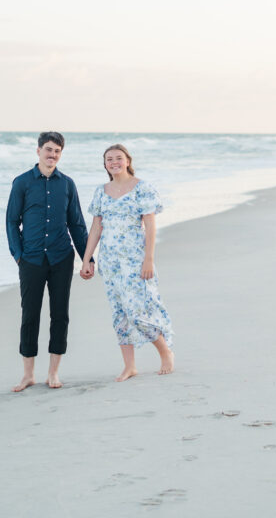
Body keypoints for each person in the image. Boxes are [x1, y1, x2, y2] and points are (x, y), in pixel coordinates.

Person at [6, 131, 94, 392]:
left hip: (61, 257)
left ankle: (53, 373)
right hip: (31, 259)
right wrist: (18, 255)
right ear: (38, 151)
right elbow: (12, 221)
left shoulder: (67, 184)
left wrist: (87, 259)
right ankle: (28, 375)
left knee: (60, 315)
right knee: (29, 315)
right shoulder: (21, 183)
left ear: (60, 154)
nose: (52, 154)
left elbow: (77, 224)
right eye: (48, 149)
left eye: (57, 151)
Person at [81, 143, 174, 381]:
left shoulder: (142, 188)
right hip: (109, 260)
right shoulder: (101, 191)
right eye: (109, 159)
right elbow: (96, 227)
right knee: (119, 312)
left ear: (128, 161)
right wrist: (86, 259)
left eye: (118, 158)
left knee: (137, 310)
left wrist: (148, 259)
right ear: (105, 164)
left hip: (135, 258)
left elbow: (151, 225)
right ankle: (129, 366)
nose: (114, 162)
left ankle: (165, 352)